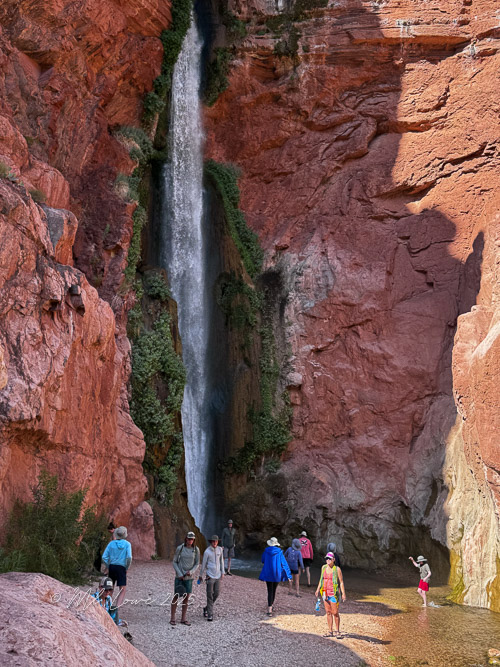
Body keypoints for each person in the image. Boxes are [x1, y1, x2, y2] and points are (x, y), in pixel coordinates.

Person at [170, 531, 200, 626]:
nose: (190, 540)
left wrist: (190, 572)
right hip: (179, 576)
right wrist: (179, 573)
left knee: (186, 597)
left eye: (192, 539)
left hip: (189, 577)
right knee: (176, 595)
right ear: (186, 538)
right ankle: (173, 618)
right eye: (189, 538)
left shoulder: (196, 550)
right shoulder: (180, 548)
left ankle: (183, 618)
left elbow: (197, 563)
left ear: (193, 540)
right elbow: (174, 562)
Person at [315, 551, 346, 638]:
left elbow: (341, 582)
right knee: (328, 612)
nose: (328, 560)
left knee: (335, 612)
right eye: (326, 558)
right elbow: (321, 579)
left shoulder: (337, 569)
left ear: (333, 559)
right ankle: (330, 631)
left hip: (334, 594)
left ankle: (338, 631)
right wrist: (317, 590)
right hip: (325, 593)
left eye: (329, 558)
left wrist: (343, 594)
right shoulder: (323, 568)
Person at [259, 537, 292, 616]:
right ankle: (271, 606)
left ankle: (269, 608)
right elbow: (284, 564)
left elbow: (262, 560)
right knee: (274, 590)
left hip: (268, 573)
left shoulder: (266, 551)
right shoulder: (279, 552)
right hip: (277, 574)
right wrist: (289, 576)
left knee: (269, 590)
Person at [102, 525, 132, 608]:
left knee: (110, 588)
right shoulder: (127, 544)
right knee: (122, 589)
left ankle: (108, 606)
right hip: (121, 567)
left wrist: (108, 565)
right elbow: (129, 557)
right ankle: (116, 608)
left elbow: (104, 557)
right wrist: (126, 567)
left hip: (112, 567)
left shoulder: (111, 544)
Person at [199, 535, 224, 621]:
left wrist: (223, 572)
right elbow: (203, 564)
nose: (214, 543)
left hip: (217, 575)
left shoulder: (220, 550)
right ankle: (210, 614)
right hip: (210, 576)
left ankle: (206, 608)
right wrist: (200, 575)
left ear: (218, 542)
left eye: (216, 541)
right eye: (213, 541)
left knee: (216, 593)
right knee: (209, 595)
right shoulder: (207, 552)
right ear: (211, 542)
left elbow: (221, 561)